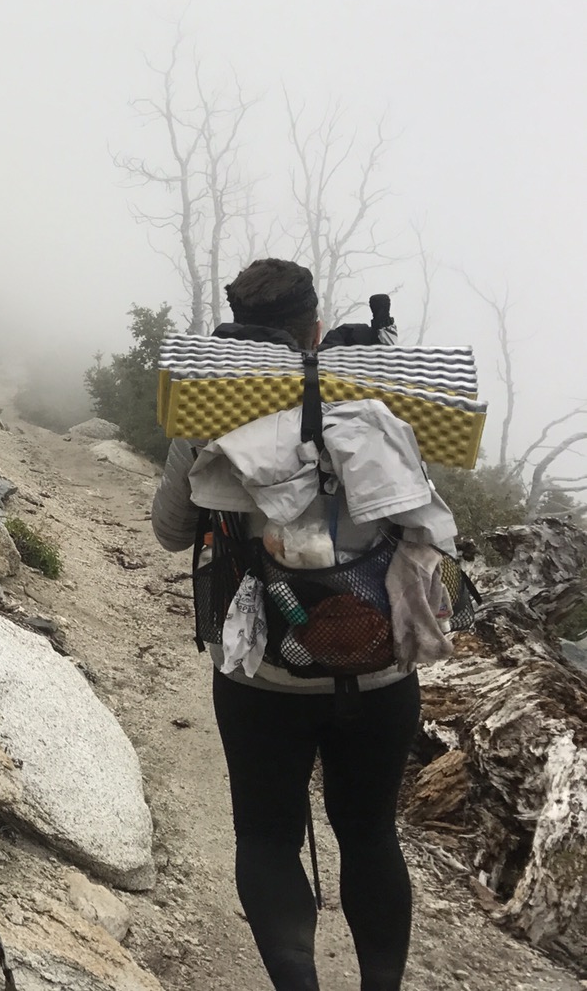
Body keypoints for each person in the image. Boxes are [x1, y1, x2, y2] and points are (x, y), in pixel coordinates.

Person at [151, 259, 451, 991]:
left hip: (264, 672)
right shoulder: (385, 398)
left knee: (266, 836)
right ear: (313, 327)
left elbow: (171, 530)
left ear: (237, 329)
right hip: (380, 669)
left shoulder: (215, 406)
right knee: (371, 834)